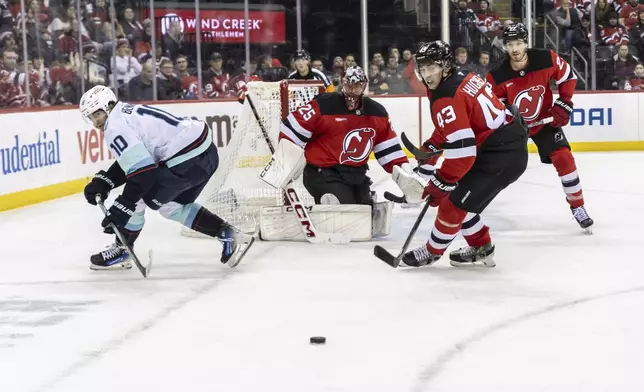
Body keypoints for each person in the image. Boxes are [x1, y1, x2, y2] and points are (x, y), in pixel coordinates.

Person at [80, 86, 253, 270]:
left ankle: (122, 249)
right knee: (171, 207)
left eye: (97, 114)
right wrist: (106, 181)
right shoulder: (126, 113)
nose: (95, 122)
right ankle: (226, 232)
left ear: (108, 106)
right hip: (206, 155)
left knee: (137, 198)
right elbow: (137, 160)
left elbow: (143, 173)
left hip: (187, 161)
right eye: (90, 117)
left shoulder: (115, 126)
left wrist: (124, 206)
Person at [403, 41, 530, 268]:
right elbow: (460, 123)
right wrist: (432, 147)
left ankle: (432, 251)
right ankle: (481, 246)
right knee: (463, 199)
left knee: (452, 203)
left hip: (499, 155)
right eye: (423, 69)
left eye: (432, 68)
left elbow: (463, 154)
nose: (427, 75)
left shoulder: (444, 96)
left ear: (446, 66)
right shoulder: (463, 77)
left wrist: (440, 181)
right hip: (504, 145)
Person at [272, 65, 427, 237]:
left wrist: (404, 174)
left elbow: (388, 149)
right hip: (322, 172)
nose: (352, 91)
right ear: (342, 85)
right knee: (345, 213)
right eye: (349, 85)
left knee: (366, 216)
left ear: (364, 86)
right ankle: (328, 203)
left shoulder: (377, 112)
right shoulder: (324, 105)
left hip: (356, 174)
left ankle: (349, 202)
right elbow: (290, 130)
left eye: (357, 86)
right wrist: (286, 161)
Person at [486, 23, 594, 232]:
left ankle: (578, 206)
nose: (515, 49)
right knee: (493, 166)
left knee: (564, 157)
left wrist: (565, 101)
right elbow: (494, 108)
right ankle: (471, 204)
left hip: (544, 121)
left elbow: (568, 76)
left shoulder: (546, 59)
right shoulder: (497, 75)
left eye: (518, 43)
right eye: (510, 44)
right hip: (514, 128)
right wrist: (506, 123)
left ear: (526, 43)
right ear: (505, 47)